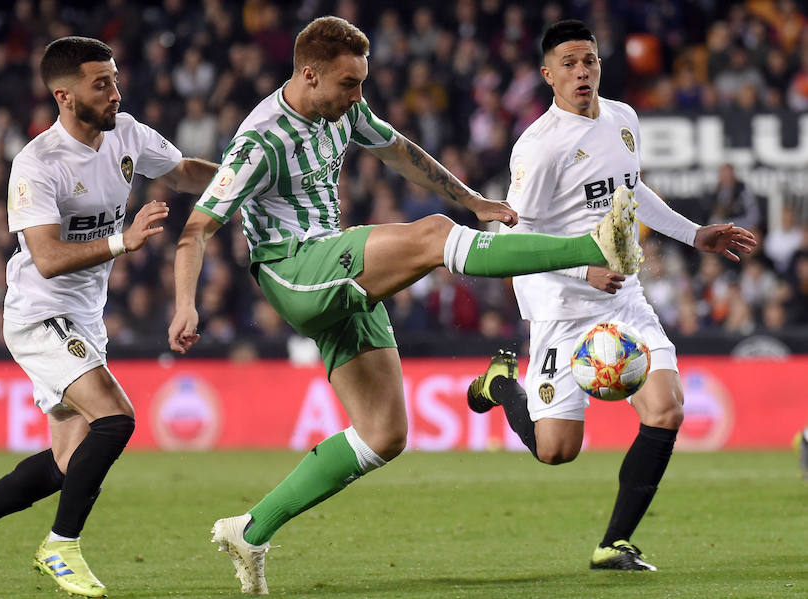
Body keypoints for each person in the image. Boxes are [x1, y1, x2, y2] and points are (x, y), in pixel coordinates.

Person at [168, 16, 644, 594]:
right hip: (294, 271)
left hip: (338, 277)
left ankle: (251, 529)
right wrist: (185, 305)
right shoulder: (261, 140)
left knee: (384, 434)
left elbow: (398, 151)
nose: (358, 96)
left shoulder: (344, 111)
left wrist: (471, 199)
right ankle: (593, 244)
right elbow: (196, 230)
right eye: (348, 84)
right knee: (431, 237)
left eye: (362, 82)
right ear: (309, 75)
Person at [0, 36, 217, 598]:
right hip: (41, 313)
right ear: (64, 95)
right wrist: (123, 242)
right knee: (116, 418)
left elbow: (182, 171)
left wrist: (244, 180)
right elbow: (47, 257)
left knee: (67, 462)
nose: (115, 92)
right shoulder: (36, 164)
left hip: (83, 319)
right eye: (101, 83)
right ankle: (61, 547)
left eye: (114, 78)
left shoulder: (127, 133)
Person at [466, 20, 757, 572]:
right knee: (557, 450)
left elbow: (632, 189)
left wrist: (695, 234)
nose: (582, 72)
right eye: (570, 63)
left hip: (623, 297)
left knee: (667, 410)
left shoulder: (623, 119)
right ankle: (502, 384)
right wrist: (582, 272)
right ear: (547, 75)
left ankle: (614, 543)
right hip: (562, 301)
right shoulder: (538, 147)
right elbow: (513, 238)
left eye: (590, 61)